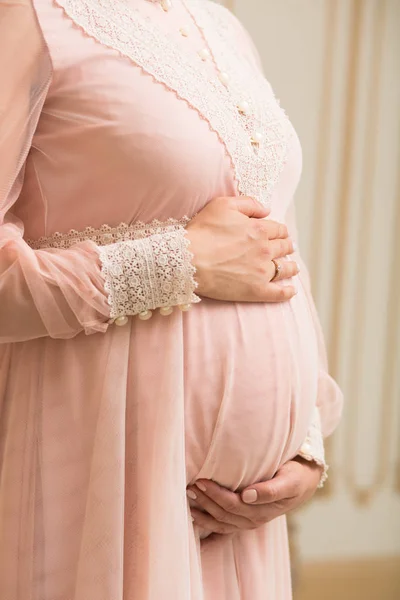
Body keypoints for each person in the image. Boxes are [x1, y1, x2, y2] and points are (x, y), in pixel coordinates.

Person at [0, 0, 343, 598]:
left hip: (244, 530)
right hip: (100, 471)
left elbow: (275, 248)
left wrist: (305, 442)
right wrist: (178, 263)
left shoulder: (222, 24)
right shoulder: (26, 19)